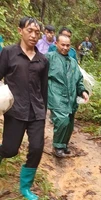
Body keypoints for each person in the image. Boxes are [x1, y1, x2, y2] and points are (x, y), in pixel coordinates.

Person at [0, 16, 49, 200]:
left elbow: (44, 88)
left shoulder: (43, 60)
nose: (34, 35)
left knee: (37, 148)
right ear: (20, 30)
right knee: (10, 149)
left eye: (37, 32)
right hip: (15, 111)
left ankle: (25, 188)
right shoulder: (8, 53)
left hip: (36, 112)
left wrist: (44, 112)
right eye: (30, 31)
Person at [45, 34, 89, 158]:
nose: (65, 47)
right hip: (56, 96)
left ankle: (63, 145)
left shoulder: (73, 62)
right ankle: (57, 146)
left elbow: (79, 80)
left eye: (67, 45)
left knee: (69, 123)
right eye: (62, 45)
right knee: (62, 121)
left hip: (71, 98)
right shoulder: (49, 58)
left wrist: (83, 92)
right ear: (56, 44)